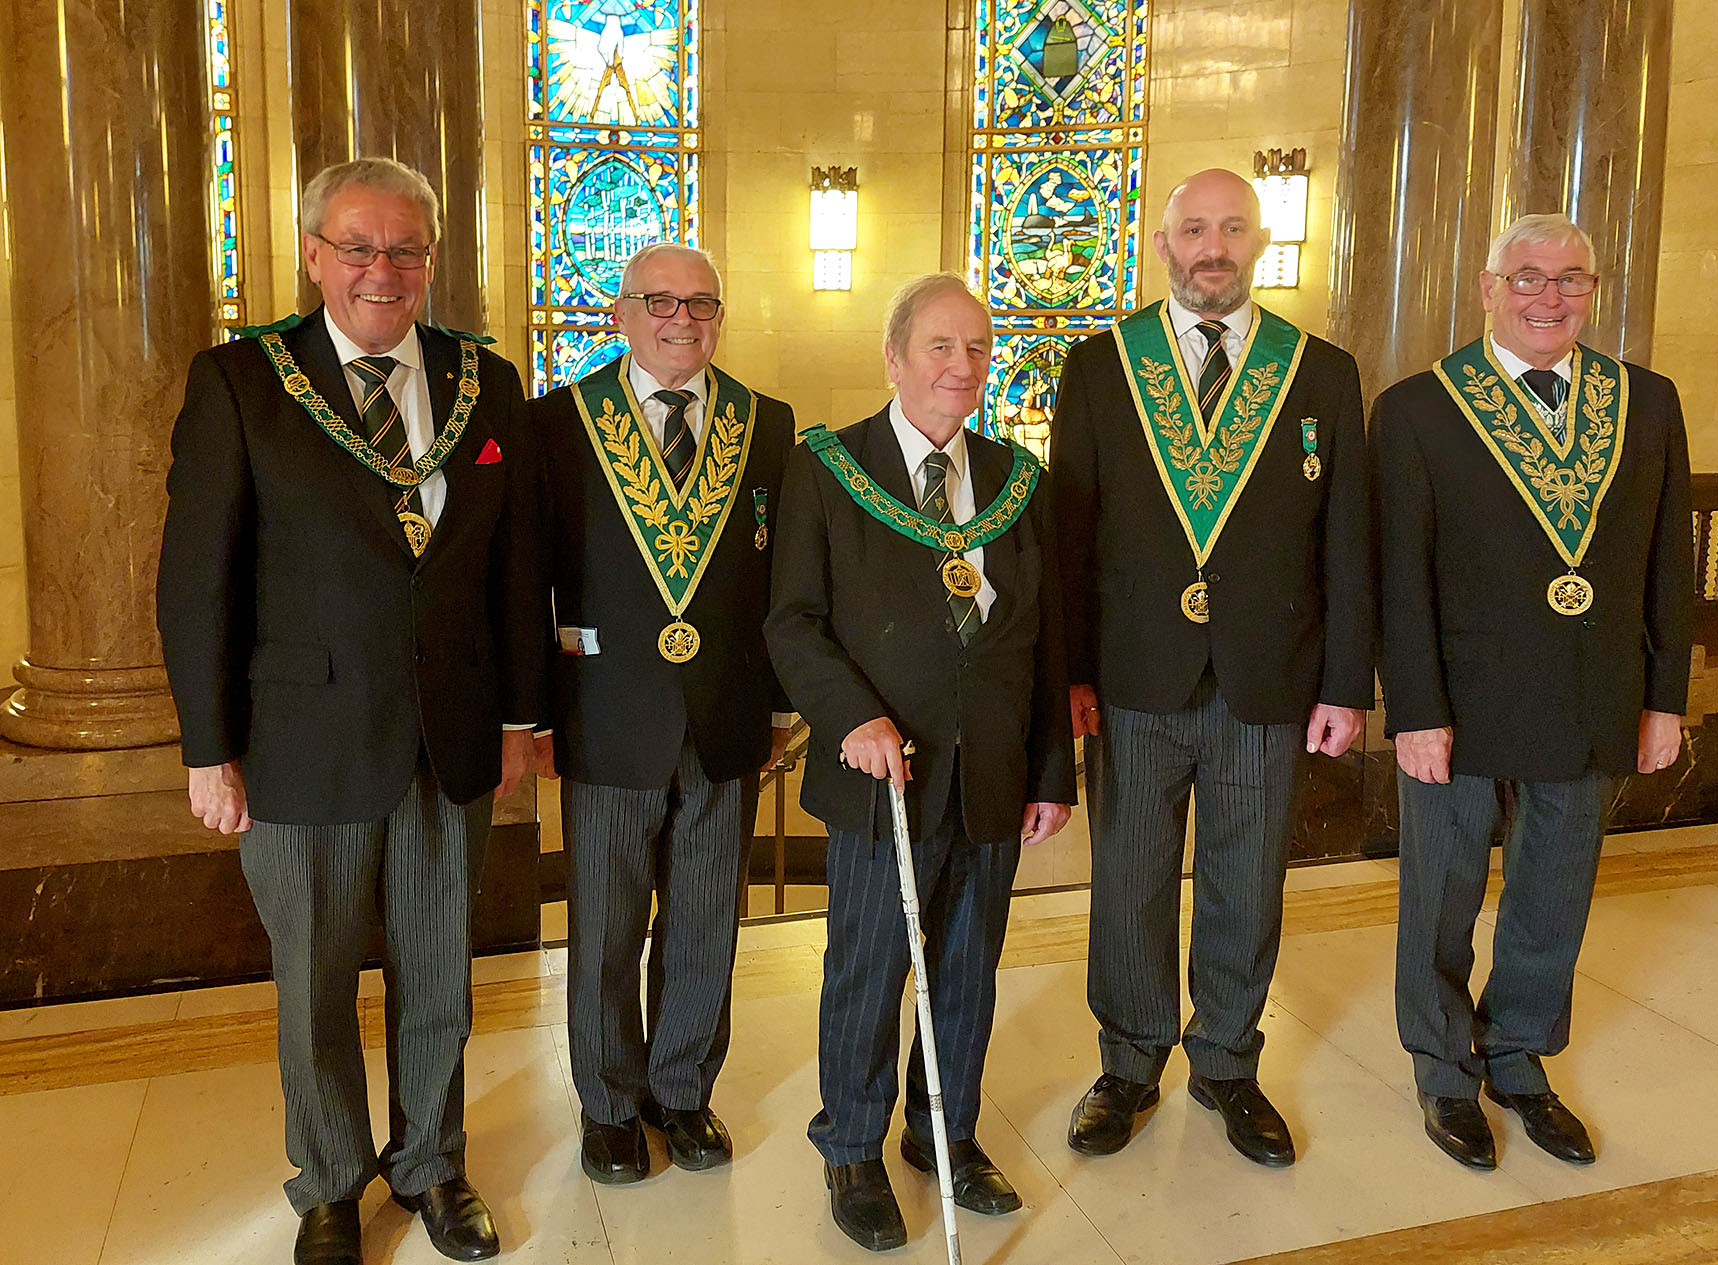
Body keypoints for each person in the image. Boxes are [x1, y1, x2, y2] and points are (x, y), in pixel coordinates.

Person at [157, 157, 545, 1265]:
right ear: (314, 256)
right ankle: (330, 1179)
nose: (385, 269)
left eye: (407, 249)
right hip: (300, 741)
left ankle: (432, 1161)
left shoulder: (486, 379)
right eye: (360, 247)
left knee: (440, 971)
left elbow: (515, 568)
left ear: (431, 259)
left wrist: (520, 715)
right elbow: (197, 579)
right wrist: (208, 746)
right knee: (315, 983)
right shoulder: (242, 380)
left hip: (454, 735)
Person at [1050, 169, 1373, 1167]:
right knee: (1132, 883)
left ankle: (1229, 1060)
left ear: (1260, 241)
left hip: (1267, 681)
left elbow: (1348, 541)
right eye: (1195, 228)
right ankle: (1130, 1060)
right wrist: (1070, 674)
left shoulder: (1319, 371)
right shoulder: (1102, 366)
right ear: (1163, 243)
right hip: (1135, 681)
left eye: (1233, 227)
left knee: (1245, 881)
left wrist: (1345, 682)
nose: (1213, 246)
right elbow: (1071, 534)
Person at [1372, 212, 1691, 1171]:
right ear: (1487, 286)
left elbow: (1667, 560)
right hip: (1459, 705)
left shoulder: (1647, 400)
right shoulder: (1419, 408)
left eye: (1570, 280)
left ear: (1594, 290)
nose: (1549, 298)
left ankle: (1517, 1057)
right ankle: (1440, 1068)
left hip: (1592, 693)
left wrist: (1663, 695)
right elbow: (1401, 576)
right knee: (1443, 893)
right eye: (1528, 278)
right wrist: (1415, 709)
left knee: (1554, 889)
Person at [765, 273, 1076, 1252]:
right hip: (879, 777)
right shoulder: (829, 469)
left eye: (977, 349)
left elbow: (1046, 640)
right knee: (869, 966)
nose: (961, 367)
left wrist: (1050, 772)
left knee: (969, 966)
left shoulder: (1018, 478)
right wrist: (852, 715)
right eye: (940, 347)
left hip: (990, 767)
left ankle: (944, 1133)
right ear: (894, 357)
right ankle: (851, 1146)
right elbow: (794, 620)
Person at [529, 243, 795, 1184]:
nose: (681, 319)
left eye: (702, 304)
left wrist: (780, 702)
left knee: (706, 916)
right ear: (620, 313)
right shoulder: (559, 422)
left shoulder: (766, 423)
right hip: (605, 715)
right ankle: (608, 1103)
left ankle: (681, 1090)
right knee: (604, 922)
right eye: (659, 302)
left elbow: (780, 579)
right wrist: (533, 713)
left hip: (725, 713)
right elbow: (533, 579)